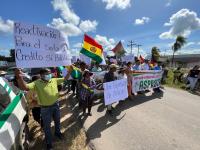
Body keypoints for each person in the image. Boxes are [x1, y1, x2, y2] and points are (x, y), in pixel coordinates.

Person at [16, 67, 72, 150]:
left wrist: (69, 71)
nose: (48, 75)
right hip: (45, 109)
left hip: (56, 105)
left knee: (57, 121)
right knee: (47, 126)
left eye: (49, 73)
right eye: (46, 74)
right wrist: (19, 77)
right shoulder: (36, 83)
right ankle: (49, 143)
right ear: (41, 75)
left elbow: (65, 78)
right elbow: (25, 87)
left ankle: (57, 133)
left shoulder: (54, 80)